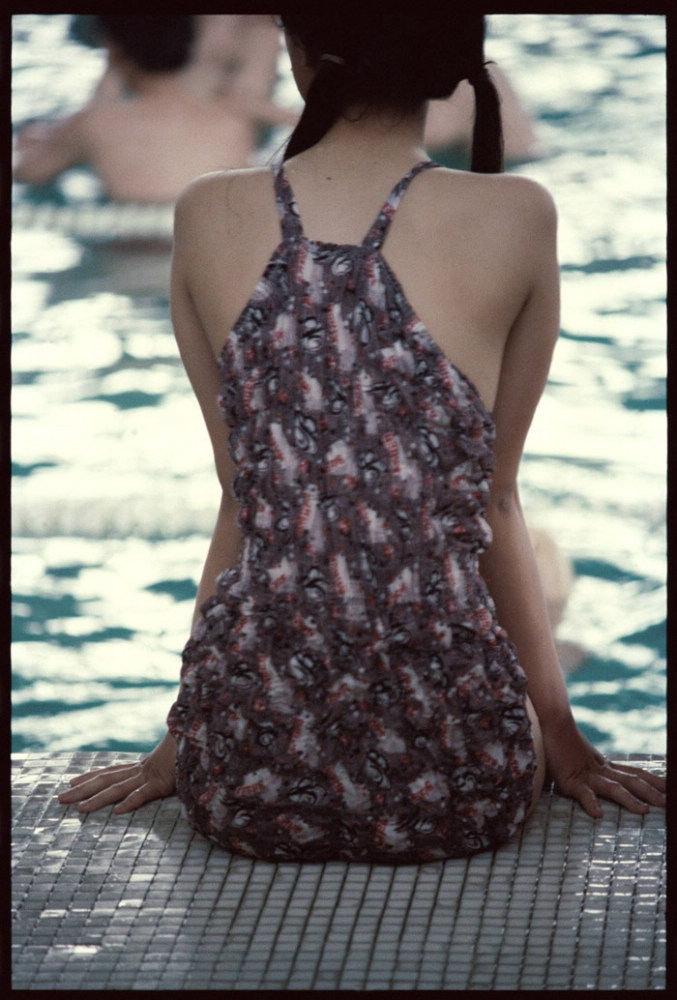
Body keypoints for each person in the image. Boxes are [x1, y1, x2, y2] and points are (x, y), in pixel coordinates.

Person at [58, 13, 665, 862]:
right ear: (449, 70)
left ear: (306, 59)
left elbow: (247, 499)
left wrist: (183, 742)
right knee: (540, 587)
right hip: (462, 781)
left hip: (244, 776)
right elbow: (493, 498)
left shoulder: (208, 210)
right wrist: (560, 737)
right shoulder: (519, 212)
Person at [13, 16, 296, 204]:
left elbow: (27, 172)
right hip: (220, 252)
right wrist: (266, 110)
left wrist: (29, 141)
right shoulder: (236, 119)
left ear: (114, 53)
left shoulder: (95, 124)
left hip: (132, 259)